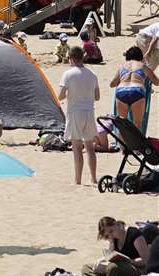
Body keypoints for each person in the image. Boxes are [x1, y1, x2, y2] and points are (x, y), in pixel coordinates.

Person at [58, 45, 100, 185]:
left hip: (75, 112)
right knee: (90, 147)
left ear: (71, 58)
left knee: (76, 147)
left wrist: (70, 93)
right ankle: (93, 178)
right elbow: (97, 96)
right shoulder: (92, 74)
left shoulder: (68, 74)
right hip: (89, 111)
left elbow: (61, 96)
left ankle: (78, 180)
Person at [109, 45, 156, 133]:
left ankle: (122, 147)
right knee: (137, 124)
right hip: (137, 91)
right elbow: (156, 82)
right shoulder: (144, 66)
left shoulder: (122, 67)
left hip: (121, 92)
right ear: (140, 57)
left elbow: (112, 84)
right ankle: (136, 146)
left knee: (122, 125)